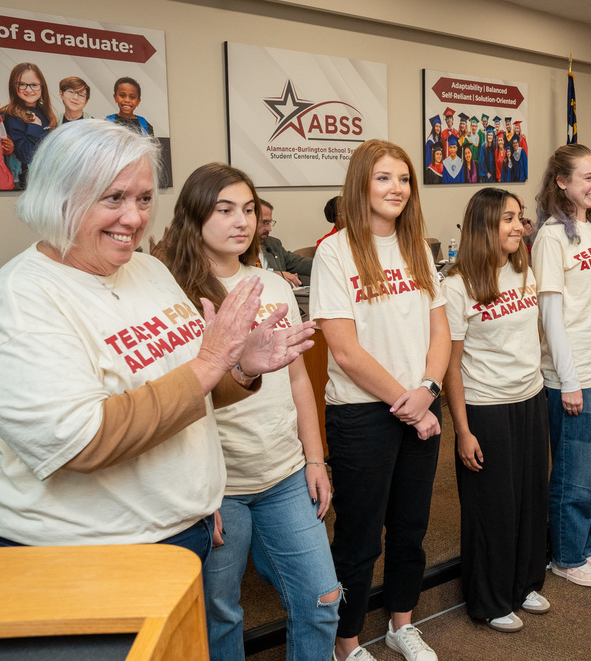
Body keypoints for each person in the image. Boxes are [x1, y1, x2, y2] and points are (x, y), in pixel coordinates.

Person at [0, 119, 313, 558]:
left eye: (144, 198)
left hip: (186, 526)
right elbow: (83, 442)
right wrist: (211, 361)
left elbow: (188, 389)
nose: (135, 217)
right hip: (95, 554)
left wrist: (238, 368)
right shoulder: (21, 298)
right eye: (114, 198)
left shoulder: (147, 270)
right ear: (59, 196)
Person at [160, 162, 339, 661]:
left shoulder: (273, 284)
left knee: (322, 599)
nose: (241, 221)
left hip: (283, 474)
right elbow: (177, 401)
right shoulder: (171, 297)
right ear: (194, 217)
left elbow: (299, 378)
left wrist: (315, 459)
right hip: (220, 488)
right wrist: (199, 489)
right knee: (220, 617)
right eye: (224, 210)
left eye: (247, 210)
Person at [310, 139, 450, 661]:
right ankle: (346, 645)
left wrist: (429, 391)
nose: (397, 189)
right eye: (384, 178)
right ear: (361, 185)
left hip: (420, 402)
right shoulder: (335, 250)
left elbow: (441, 329)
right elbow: (344, 350)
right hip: (364, 413)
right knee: (359, 536)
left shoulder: (418, 247)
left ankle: (401, 624)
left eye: (404, 179)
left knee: (411, 527)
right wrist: (406, 401)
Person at [442, 187, 550, 633]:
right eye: (508, 218)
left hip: (530, 397)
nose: (519, 226)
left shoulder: (522, 269)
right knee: (493, 507)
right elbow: (450, 368)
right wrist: (462, 431)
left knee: (529, 496)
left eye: (520, 218)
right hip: (486, 407)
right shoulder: (456, 285)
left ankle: (523, 583)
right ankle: (488, 600)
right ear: (484, 224)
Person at [533, 144, 591, 587]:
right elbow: (551, 315)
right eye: (586, 177)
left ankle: (585, 545)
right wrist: (568, 381)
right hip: (575, 377)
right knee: (573, 472)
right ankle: (566, 556)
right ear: (562, 182)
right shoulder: (551, 236)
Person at [1, 62, 58, 188]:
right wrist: (35, 126)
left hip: (48, 181)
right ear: (13, 86)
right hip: (26, 186)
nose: (28, 90)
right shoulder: (11, 115)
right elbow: (26, 156)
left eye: (34, 85)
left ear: (42, 86)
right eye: (22, 84)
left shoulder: (46, 112)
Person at [259, 201, 313, 287]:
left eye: (270, 222)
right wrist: (272, 275)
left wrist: (327, 263)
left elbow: (296, 262)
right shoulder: (237, 249)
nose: (269, 228)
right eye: (265, 222)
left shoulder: (273, 244)